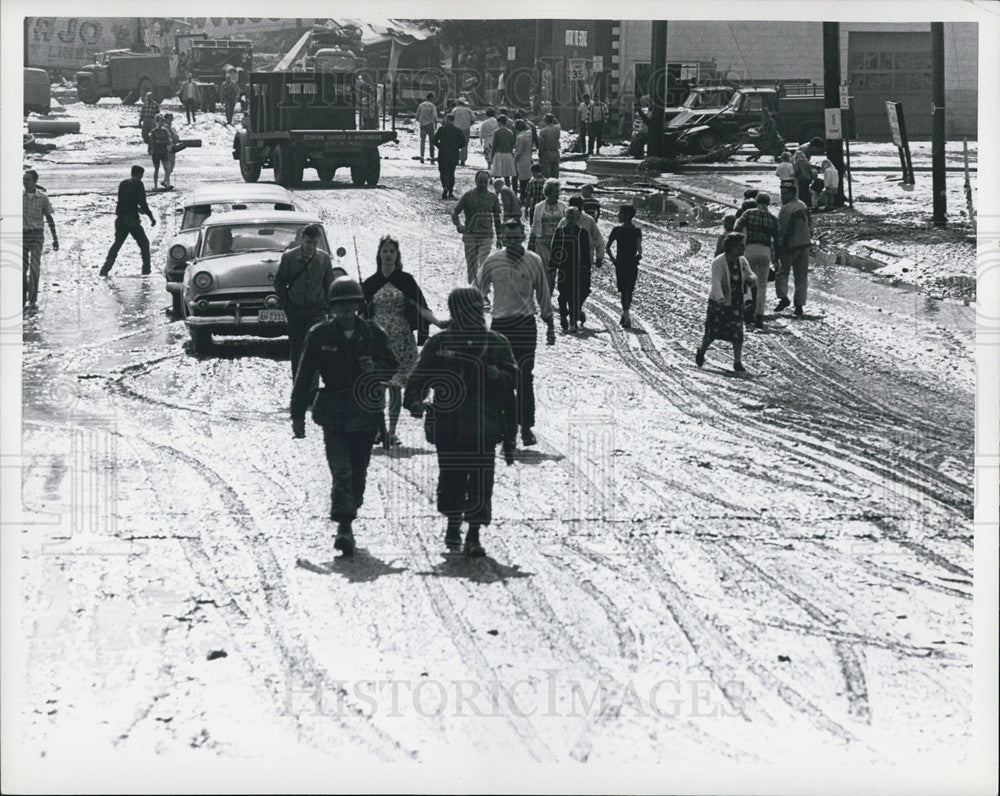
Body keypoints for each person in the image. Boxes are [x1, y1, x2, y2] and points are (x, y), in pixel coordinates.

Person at [404, 287, 518, 558]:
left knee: (481, 483)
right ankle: (453, 523)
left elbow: (512, 385)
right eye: (465, 310)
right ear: (455, 312)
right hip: (449, 427)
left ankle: (474, 535)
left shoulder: (496, 343)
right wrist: (415, 401)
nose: (471, 315)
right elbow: (419, 376)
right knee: (451, 479)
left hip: (484, 428)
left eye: (475, 309)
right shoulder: (440, 343)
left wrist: (497, 375)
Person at [291, 277, 398, 556]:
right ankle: (344, 527)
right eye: (340, 305)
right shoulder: (319, 334)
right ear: (332, 308)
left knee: (358, 474)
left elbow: (392, 366)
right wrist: (297, 415)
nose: (346, 310)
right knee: (341, 470)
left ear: (359, 306)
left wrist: (373, 368)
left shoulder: (373, 332)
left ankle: (349, 511)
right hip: (334, 413)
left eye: (351, 304)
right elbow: (304, 377)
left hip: (364, 413)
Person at [476, 217, 556, 448]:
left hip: (525, 326)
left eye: (516, 237)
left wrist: (550, 324)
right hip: (500, 327)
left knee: (524, 378)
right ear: (502, 238)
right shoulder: (492, 261)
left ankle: (527, 428)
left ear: (523, 237)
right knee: (500, 380)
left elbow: (543, 292)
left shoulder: (534, 261)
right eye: (507, 238)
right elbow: (476, 287)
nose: (512, 242)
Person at [362, 235, 441, 448]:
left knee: (395, 386)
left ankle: (391, 431)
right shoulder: (370, 283)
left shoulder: (406, 280)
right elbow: (359, 313)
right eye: (385, 251)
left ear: (397, 255)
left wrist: (439, 323)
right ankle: (379, 429)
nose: (388, 255)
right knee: (377, 387)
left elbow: (421, 307)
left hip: (400, 339)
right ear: (379, 254)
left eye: (392, 251)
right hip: (377, 340)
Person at [274, 223, 337, 378]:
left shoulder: (324, 259)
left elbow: (329, 285)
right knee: (297, 352)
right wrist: (286, 305)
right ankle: (299, 388)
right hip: (296, 311)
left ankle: (313, 389)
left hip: (316, 311)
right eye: (308, 242)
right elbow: (279, 282)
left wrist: (329, 308)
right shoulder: (290, 257)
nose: (311, 246)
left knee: (316, 350)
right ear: (302, 239)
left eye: (315, 243)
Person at [695, 233, 756, 373]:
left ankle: (737, 362)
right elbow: (716, 281)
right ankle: (702, 351)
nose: (743, 247)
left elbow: (750, 274)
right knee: (712, 331)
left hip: (736, 302)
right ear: (732, 246)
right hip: (719, 303)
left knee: (737, 332)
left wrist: (751, 279)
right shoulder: (719, 261)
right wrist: (721, 298)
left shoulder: (742, 261)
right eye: (740, 245)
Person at [100, 165, 156, 276]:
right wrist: (151, 216)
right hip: (132, 220)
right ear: (140, 174)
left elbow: (124, 201)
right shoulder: (138, 184)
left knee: (117, 244)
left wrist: (136, 209)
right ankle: (146, 271)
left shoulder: (123, 183)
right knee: (144, 244)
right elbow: (142, 202)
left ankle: (105, 268)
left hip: (121, 219)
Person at [735, 192, 780, 329]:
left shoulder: (748, 213)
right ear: (768, 204)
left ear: (756, 201)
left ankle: (748, 303)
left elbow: (736, 227)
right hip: (765, 251)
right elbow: (777, 240)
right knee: (762, 285)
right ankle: (759, 316)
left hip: (749, 249)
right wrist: (776, 259)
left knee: (747, 280)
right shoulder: (772, 218)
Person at [452, 170, 503, 283]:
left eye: (485, 182)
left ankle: (483, 292)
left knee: (484, 264)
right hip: (470, 235)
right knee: (472, 266)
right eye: (480, 182)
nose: (483, 185)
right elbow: (455, 212)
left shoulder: (493, 197)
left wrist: (499, 237)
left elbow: (497, 219)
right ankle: (473, 291)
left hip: (486, 236)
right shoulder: (468, 196)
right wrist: (458, 225)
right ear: (475, 181)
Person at [549, 206, 591, 333]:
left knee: (575, 295)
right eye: (568, 217)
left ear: (577, 218)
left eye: (573, 217)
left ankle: (573, 322)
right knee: (563, 295)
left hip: (578, 269)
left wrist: (586, 267)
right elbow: (554, 248)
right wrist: (553, 264)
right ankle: (563, 315)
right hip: (564, 268)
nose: (570, 220)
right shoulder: (560, 231)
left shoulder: (582, 232)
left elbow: (586, 251)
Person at [22, 169, 58, 309]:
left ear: (35, 182)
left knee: (35, 268)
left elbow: (49, 218)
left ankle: (32, 300)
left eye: (27, 180)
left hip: (37, 235)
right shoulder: (19, 197)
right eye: (24, 179)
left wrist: (55, 238)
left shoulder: (42, 198)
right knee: (22, 269)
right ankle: (22, 297)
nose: (24, 182)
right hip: (23, 235)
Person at [775, 182, 812, 317]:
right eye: (781, 194)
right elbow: (810, 223)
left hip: (790, 245)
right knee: (801, 277)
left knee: (782, 273)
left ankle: (783, 298)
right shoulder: (803, 205)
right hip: (804, 244)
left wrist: (778, 247)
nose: (782, 197)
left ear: (792, 194)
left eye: (785, 194)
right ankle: (799, 305)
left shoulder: (787, 209)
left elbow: (782, 230)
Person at [528, 178, 567, 290]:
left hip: (558, 242)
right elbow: (534, 225)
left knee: (554, 268)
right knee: (546, 267)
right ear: (548, 192)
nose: (557, 194)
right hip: (542, 241)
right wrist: (531, 241)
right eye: (555, 192)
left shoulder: (563, 206)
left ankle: (549, 291)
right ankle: (547, 294)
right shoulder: (539, 207)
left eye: (558, 191)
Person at [607, 204, 642, 329]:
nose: (618, 215)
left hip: (622, 263)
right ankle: (626, 315)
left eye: (620, 213)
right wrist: (639, 255)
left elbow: (608, 247)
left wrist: (613, 259)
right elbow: (639, 249)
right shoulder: (635, 231)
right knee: (627, 290)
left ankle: (625, 314)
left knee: (626, 290)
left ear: (627, 215)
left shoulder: (618, 230)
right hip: (629, 263)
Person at [558, 196, 604, 271]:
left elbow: (598, 239)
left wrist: (599, 257)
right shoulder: (564, 221)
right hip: (566, 260)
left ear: (582, 207)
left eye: (578, 208)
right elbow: (557, 240)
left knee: (583, 281)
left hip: (584, 260)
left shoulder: (589, 220)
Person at [432, 114, 466, 199]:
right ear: (453, 120)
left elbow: (434, 140)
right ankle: (450, 192)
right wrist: (456, 147)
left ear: (447, 120)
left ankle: (445, 187)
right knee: (451, 172)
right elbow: (464, 143)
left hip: (443, 154)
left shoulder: (442, 129)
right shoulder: (458, 130)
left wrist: (440, 146)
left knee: (443, 172)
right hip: (454, 154)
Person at [490, 115, 517, 188]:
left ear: (499, 122)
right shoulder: (510, 132)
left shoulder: (497, 132)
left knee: (497, 175)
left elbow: (494, 145)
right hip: (508, 154)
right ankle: (508, 189)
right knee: (507, 176)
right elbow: (512, 145)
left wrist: (491, 156)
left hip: (498, 153)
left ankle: (497, 189)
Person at [147, 114, 171, 190]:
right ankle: (155, 185)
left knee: (167, 169)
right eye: (160, 121)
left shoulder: (165, 130)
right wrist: (161, 142)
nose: (162, 123)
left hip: (164, 151)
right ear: (157, 122)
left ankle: (166, 183)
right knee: (156, 169)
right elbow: (153, 142)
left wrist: (159, 141)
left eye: (162, 121)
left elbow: (168, 141)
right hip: (156, 152)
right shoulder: (154, 131)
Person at [513, 119, 534, 199]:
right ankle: (526, 196)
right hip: (528, 158)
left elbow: (519, 151)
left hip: (521, 160)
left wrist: (514, 159)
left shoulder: (520, 137)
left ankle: (523, 197)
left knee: (522, 180)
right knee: (527, 178)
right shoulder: (529, 134)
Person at [450, 97, 475, 165]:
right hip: (466, 129)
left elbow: (450, 118)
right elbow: (474, 119)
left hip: (456, 129)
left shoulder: (455, 110)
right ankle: (463, 160)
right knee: (464, 145)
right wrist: (469, 124)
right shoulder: (468, 110)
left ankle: (456, 158)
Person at [537, 113, 561, 178]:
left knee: (546, 175)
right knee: (555, 174)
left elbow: (541, 144)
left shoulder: (543, 131)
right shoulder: (557, 129)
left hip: (546, 153)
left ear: (545, 120)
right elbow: (557, 123)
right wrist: (552, 118)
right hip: (556, 152)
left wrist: (540, 154)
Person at [416, 92, 438, 164]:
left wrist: (421, 121)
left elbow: (417, 116)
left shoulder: (421, 105)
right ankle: (432, 157)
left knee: (422, 141)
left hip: (422, 125)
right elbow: (434, 116)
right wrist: (436, 123)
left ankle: (422, 157)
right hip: (430, 125)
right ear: (431, 98)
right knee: (431, 141)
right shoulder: (432, 106)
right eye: (433, 98)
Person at [161, 113, 180, 190]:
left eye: (171, 119)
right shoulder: (163, 128)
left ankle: (165, 180)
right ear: (165, 119)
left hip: (172, 149)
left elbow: (177, 138)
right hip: (165, 149)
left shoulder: (172, 129)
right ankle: (167, 183)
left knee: (171, 167)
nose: (170, 120)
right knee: (167, 167)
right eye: (169, 119)